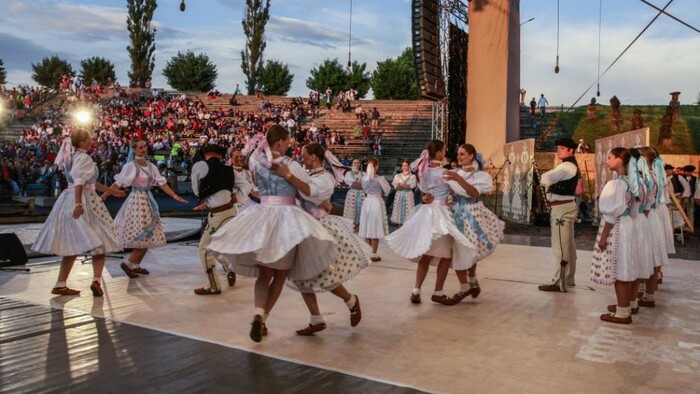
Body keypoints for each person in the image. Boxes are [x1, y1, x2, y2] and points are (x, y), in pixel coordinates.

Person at [206, 125, 336, 342]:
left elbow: (256, 183)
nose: (289, 144)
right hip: (285, 217)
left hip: (263, 215)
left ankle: (258, 312)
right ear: (279, 142)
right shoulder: (291, 165)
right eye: (287, 141)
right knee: (280, 276)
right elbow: (308, 191)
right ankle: (263, 318)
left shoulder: (257, 161)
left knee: (264, 274)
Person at [281, 143, 369, 335]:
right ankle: (316, 318)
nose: (302, 159)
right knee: (300, 275)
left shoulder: (325, 178)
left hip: (319, 226)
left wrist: (289, 176)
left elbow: (311, 194)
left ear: (313, 157)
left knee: (321, 273)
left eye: (304, 156)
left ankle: (350, 300)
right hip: (304, 226)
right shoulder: (308, 176)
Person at [32, 130, 125, 297]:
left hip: (68, 197)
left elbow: (91, 182)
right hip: (84, 200)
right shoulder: (83, 158)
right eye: (89, 139)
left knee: (72, 243)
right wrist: (78, 203)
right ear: (82, 143)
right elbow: (80, 182)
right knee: (100, 241)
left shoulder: (72, 157)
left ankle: (61, 283)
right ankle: (96, 280)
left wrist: (111, 191)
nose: (92, 141)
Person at [386, 140, 476, 305]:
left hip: (426, 213)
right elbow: (466, 192)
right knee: (446, 256)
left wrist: (425, 196)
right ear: (440, 153)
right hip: (440, 214)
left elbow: (425, 192)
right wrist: (459, 180)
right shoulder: (444, 173)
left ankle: (416, 289)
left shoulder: (424, 172)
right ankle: (438, 291)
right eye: (444, 151)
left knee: (426, 255)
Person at [108, 138, 188, 278]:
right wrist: (104, 195)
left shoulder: (151, 166)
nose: (143, 149)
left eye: (145, 146)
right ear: (133, 149)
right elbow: (119, 183)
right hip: (137, 201)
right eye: (140, 147)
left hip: (147, 200)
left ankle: (135, 265)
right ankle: (128, 263)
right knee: (143, 233)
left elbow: (161, 183)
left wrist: (174, 196)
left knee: (148, 234)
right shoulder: (131, 166)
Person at [441, 144, 505, 303]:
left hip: (471, 214)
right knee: (457, 251)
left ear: (471, 156)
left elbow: (474, 193)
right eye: (458, 154)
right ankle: (465, 287)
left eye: (462, 154)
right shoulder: (454, 173)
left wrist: (458, 179)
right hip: (454, 212)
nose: (459, 157)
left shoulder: (479, 176)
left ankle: (471, 280)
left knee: (469, 252)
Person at [591, 147, 637, 324]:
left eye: (609, 158)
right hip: (626, 224)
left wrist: (603, 237)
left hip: (617, 227)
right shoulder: (629, 182)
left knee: (620, 271)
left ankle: (622, 313)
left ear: (619, 160)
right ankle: (623, 306)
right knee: (623, 268)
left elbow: (611, 214)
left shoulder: (617, 184)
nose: (607, 161)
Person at [191, 144, 237, 295]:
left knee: (204, 249)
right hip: (230, 211)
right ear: (220, 155)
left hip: (219, 214)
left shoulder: (200, 166)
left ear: (206, 155)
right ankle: (230, 267)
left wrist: (206, 198)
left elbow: (197, 190)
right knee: (215, 246)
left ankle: (213, 286)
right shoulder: (230, 170)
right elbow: (245, 187)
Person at [538, 138, 580, 293]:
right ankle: (568, 278)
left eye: (562, 148)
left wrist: (547, 179)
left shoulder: (567, 166)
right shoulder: (568, 165)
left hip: (562, 209)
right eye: (558, 148)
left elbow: (545, 178)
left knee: (561, 247)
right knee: (568, 245)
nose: (559, 151)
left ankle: (559, 282)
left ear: (571, 150)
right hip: (564, 207)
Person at [359, 157, 391, 262]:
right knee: (375, 228)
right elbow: (387, 190)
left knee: (368, 227)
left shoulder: (364, 178)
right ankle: (373, 254)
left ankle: (368, 252)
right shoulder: (379, 178)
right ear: (376, 166)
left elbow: (364, 189)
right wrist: (381, 193)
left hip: (367, 201)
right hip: (376, 202)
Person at [230, 148, 259, 214]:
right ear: (231, 159)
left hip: (249, 205)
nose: (240, 158)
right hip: (235, 208)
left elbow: (253, 191)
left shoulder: (248, 172)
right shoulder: (229, 172)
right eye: (236, 157)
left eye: (241, 156)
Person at [390, 160, 417, 227]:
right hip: (399, 195)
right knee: (399, 213)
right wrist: (405, 186)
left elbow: (410, 187)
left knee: (408, 213)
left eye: (406, 165)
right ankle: (399, 229)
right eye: (403, 165)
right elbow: (397, 187)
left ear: (408, 166)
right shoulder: (397, 176)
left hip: (408, 195)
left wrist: (402, 185)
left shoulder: (413, 176)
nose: (404, 167)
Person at [343, 159, 366, 232]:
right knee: (351, 212)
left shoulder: (364, 174)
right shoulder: (348, 173)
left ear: (360, 164)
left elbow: (365, 185)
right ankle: (351, 229)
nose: (356, 164)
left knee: (361, 211)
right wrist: (360, 184)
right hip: (352, 195)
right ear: (352, 164)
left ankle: (360, 229)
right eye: (355, 163)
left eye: (358, 162)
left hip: (362, 195)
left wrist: (358, 184)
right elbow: (352, 185)